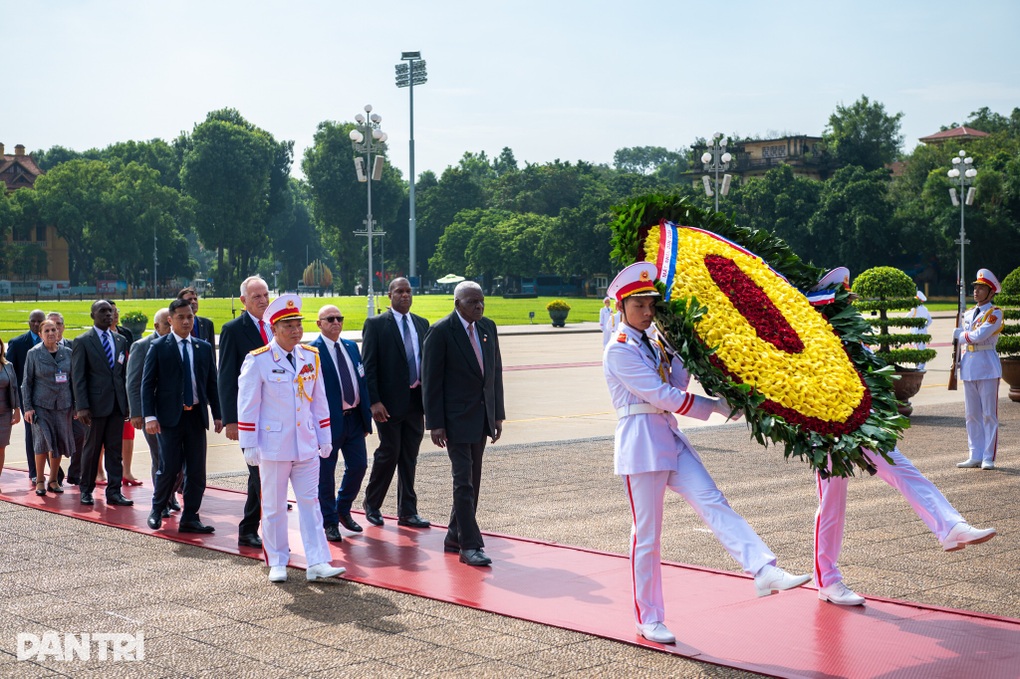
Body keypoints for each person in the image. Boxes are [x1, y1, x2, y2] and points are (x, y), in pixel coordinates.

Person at [603, 262, 809, 645]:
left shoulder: (655, 340)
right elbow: (661, 395)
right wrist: (714, 407)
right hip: (642, 444)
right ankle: (648, 618)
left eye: (651, 305)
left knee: (714, 502)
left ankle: (763, 568)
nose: (648, 312)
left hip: (668, 437)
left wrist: (684, 349)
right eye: (639, 306)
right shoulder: (619, 350)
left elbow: (677, 381)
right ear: (621, 307)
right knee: (647, 537)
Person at [807, 270, 997, 607]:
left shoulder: (854, 335)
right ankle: (828, 580)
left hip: (863, 424)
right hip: (828, 431)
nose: (850, 305)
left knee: (904, 470)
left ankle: (951, 526)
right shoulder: (813, 335)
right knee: (832, 504)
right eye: (844, 300)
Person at [237, 294, 346, 584]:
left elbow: (319, 401)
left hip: (306, 443)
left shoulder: (310, 356)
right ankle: (277, 560)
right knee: (273, 506)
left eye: (298, 324)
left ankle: (318, 561)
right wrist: (248, 443)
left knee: (311, 503)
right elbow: (248, 404)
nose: (296, 331)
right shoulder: (258, 360)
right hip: (273, 445)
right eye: (288, 326)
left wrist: (325, 436)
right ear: (274, 329)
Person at [422, 281, 505, 568]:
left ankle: (455, 534)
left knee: (474, 479)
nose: (479, 306)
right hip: (454, 420)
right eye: (472, 302)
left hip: (481, 418)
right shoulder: (442, 331)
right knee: (463, 481)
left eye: (481, 301)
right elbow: (431, 381)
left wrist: (497, 415)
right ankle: (470, 545)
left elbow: (495, 373)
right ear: (458, 304)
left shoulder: (487, 328)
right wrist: (435, 423)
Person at [143, 299, 222, 534]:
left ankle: (190, 517)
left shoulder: (203, 347)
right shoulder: (159, 347)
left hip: (195, 417)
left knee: (197, 470)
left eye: (190, 317)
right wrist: (149, 417)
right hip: (169, 418)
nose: (187, 321)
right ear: (170, 320)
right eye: (181, 317)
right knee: (169, 467)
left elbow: (211, 383)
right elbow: (147, 385)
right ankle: (157, 510)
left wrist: (218, 414)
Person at [361, 277, 431, 529]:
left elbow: (428, 364)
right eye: (399, 291)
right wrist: (374, 402)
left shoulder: (422, 324)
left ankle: (408, 511)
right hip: (387, 405)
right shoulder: (377, 325)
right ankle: (372, 503)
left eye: (408, 291)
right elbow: (368, 367)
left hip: (416, 401)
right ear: (389, 295)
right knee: (389, 452)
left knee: (409, 456)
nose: (405, 295)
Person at [311, 305, 373, 540]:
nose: (336, 322)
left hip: (354, 419)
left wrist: (366, 416)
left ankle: (342, 509)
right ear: (319, 324)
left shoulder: (350, 346)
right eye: (330, 319)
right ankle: (329, 522)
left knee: (358, 466)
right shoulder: (311, 352)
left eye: (339, 318)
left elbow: (362, 380)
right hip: (328, 422)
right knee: (325, 473)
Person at [219, 275, 271, 549]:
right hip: (250, 417)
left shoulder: (278, 325)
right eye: (256, 297)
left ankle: (268, 522)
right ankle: (248, 528)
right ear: (243, 301)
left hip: (276, 415)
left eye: (265, 295)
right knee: (257, 473)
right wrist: (231, 420)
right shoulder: (233, 330)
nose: (263, 301)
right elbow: (226, 377)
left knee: (270, 474)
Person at [70, 300, 134, 507]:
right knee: (92, 450)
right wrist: (81, 407)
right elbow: (78, 377)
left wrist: (127, 404)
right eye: (103, 311)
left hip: (116, 405)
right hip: (94, 407)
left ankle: (114, 491)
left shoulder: (120, 340)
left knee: (115, 451)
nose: (108, 314)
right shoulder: (83, 341)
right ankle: (86, 489)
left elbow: (123, 374)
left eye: (111, 311)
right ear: (93, 316)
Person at [955, 268, 1003, 470]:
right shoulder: (967, 314)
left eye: (981, 288)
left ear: (991, 292)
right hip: (969, 366)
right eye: (975, 287)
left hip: (987, 365)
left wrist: (960, 335)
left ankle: (988, 457)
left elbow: (978, 336)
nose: (976, 291)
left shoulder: (995, 313)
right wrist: (957, 362)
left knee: (988, 415)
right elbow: (963, 342)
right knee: (971, 414)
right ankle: (974, 453)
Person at [22, 320, 75, 496]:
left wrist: (76, 406)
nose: (52, 333)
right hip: (41, 406)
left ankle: (53, 480)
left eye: (54, 329)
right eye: (47, 330)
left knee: (58, 442)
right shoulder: (34, 354)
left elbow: (74, 381)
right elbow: (27, 383)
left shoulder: (67, 353)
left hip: (63, 406)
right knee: (42, 442)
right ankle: (40, 480)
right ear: (40, 334)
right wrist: (28, 407)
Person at [127, 309, 177, 493]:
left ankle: (170, 493)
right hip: (152, 413)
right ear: (156, 326)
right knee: (160, 457)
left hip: (175, 412)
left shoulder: (178, 343)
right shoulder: (141, 346)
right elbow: (133, 382)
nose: (171, 328)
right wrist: (137, 413)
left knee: (176, 458)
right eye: (167, 325)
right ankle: (163, 499)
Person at [7, 309, 45, 484]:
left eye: (39, 321)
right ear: (29, 322)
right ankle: (34, 471)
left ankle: (53, 471)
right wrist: (13, 401)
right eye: (33, 321)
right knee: (32, 431)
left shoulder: (50, 340)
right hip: (27, 397)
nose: (36, 324)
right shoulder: (18, 343)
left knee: (50, 431)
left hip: (48, 395)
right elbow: (10, 374)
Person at [48, 312, 85, 486]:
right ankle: (57, 475)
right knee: (52, 441)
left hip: (71, 404)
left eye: (59, 324)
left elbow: (79, 377)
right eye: (51, 325)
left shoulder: (73, 347)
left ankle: (75, 473)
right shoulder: (38, 350)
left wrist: (79, 405)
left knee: (81, 435)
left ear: (63, 327)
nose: (56, 329)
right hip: (48, 406)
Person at [0, 337, 23, 495]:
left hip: (5, 413)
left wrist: (17, 410)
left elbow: (14, 388)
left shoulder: (8, 366)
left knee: (1, 448)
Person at [910, 290, 933, 371]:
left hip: (916, 332)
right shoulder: (925, 309)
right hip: (923, 331)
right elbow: (930, 320)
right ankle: (921, 365)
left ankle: (919, 366)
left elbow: (906, 319)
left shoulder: (914, 309)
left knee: (917, 349)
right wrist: (924, 326)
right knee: (922, 348)